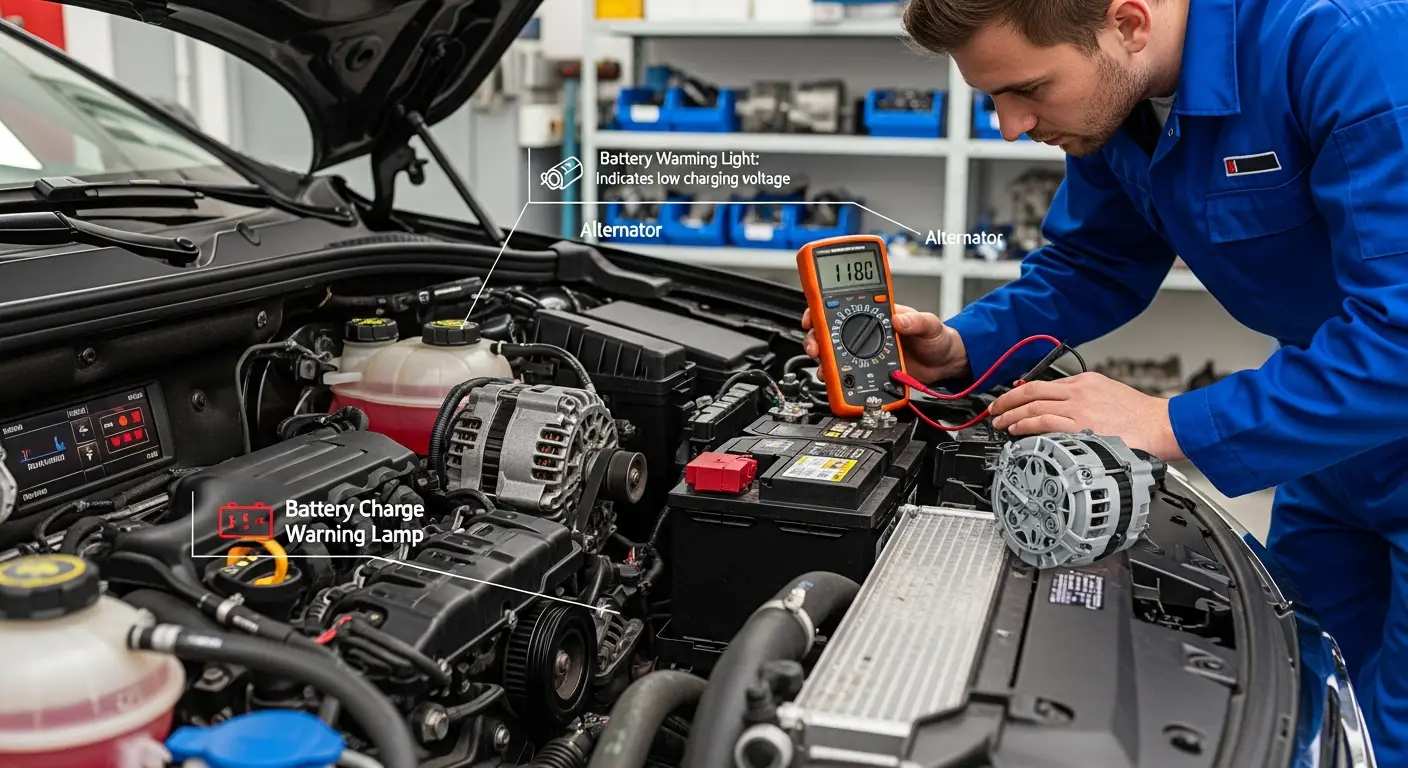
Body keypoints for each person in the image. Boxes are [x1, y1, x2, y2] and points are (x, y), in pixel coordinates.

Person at [801, 0, 1408, 761]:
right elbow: (1096, 261)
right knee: (1304, 701)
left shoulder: (1347, 47)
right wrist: (962, 349)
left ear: (1128, 21)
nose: (1012, 127)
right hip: (1327, 434)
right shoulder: (1118, 98)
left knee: (1394, 735)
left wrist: (1169, 424)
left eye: (1027, 90)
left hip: (1364, 396)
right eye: (993, 99)